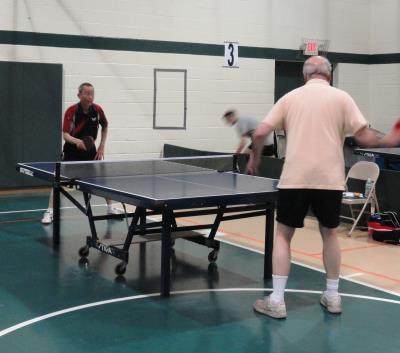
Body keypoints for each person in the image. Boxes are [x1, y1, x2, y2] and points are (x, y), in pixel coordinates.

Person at [247, 56, 400, 319]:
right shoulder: (342, 98)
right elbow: (363, 136)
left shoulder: (290, 97)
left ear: (304, 75)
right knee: (329, 234)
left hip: (295, 178)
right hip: (330, 180)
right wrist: (388, 140)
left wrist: (255, 157)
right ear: (329, 75)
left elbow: (260, 133)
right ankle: (332, 296)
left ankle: (277, 301)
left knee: (283, 236)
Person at [41, 82, 121, 224]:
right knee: (57, 180)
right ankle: (50, 211)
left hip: (91, 151)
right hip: (72, 151)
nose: (90, 97)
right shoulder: (71, 111)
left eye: (92, 94)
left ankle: (110, 207)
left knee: (103, 180)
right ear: (79, 95)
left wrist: (102, 146)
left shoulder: (97, 110)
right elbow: (65, 135)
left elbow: (105, 126)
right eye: (87, 94)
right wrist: (77, 142)